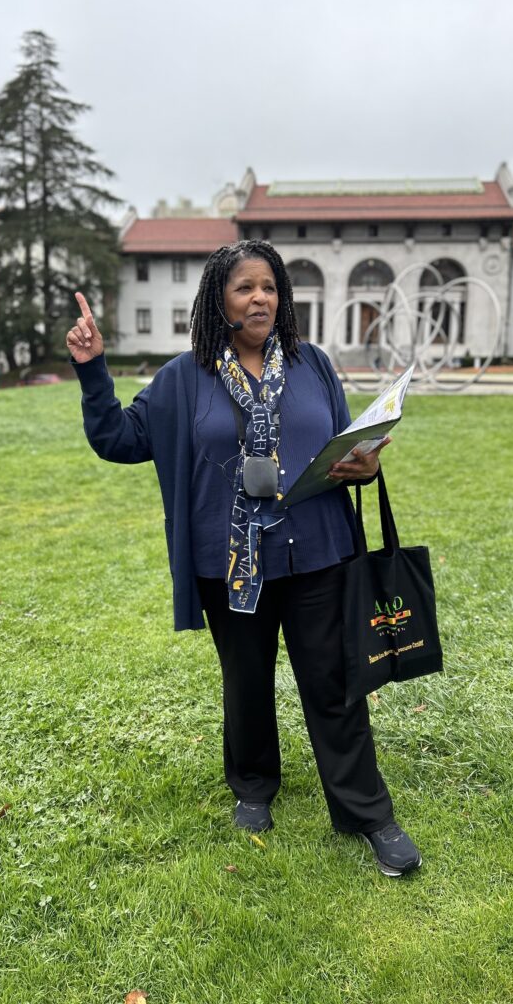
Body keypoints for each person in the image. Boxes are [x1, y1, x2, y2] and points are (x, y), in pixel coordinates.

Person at [66, 240, 421, 877]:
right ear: (218, 301)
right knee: (247, 682)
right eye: (244, 288)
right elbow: (118, 439)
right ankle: (254, 788)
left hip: (317, 553)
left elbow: (348, 450)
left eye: (269, 287)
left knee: (335, 686)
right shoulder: (183, 378)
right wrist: (94, 368)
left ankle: (368, 812)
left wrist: (366, 465)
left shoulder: (313, 365)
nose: (260, 298)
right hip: (229, 563)